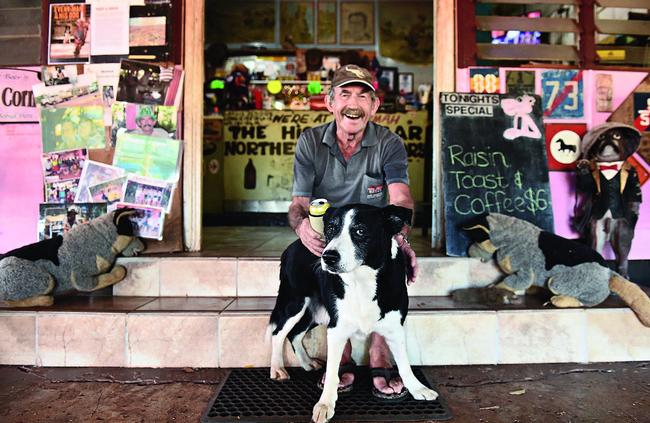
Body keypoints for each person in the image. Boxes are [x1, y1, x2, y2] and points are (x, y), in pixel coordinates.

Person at [288, 64, 418, 400]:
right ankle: (341, 350)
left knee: (392, 259)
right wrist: (303, 227)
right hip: (329, 231)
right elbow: (298, 204)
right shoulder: (310, 141)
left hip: (371, 233)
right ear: (330, 102)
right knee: (326, 261)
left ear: (374, 107)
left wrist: (401, 238)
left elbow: (400, 197)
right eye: (345, 94)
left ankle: (379, 350)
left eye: (363, 96)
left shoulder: (389, 143)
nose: (353, 103)